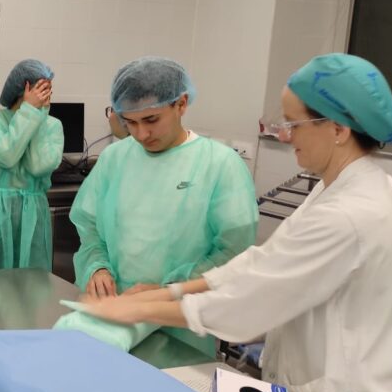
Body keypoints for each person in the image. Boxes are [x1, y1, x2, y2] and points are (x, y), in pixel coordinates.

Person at [78, 54, 392, 392]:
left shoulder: (349, 214)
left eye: (293, 124)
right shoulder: (342, 188)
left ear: (337, 129)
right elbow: (262, 262)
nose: (284, 136)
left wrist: (137, 309)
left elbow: (250, 304)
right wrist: (169, 292)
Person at [71, 57, 257, 304]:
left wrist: (171, 290)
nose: (141, 134)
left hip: (180, 312)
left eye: (151, 120)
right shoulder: (114, 158)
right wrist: (98, 267)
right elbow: (89, 225)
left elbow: (233, 251)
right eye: (130, 122)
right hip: (114, 304)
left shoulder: (220, 164)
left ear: (181, 104)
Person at [0, 59, 64, 271]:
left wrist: (37, 117)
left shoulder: (52, 126)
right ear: (25, 88)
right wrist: (28, 112)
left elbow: (38, 166)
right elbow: (6, 156)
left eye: (49, 89)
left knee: (31, 282)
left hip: (34, 213)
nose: (47, 95)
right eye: (42, 89)